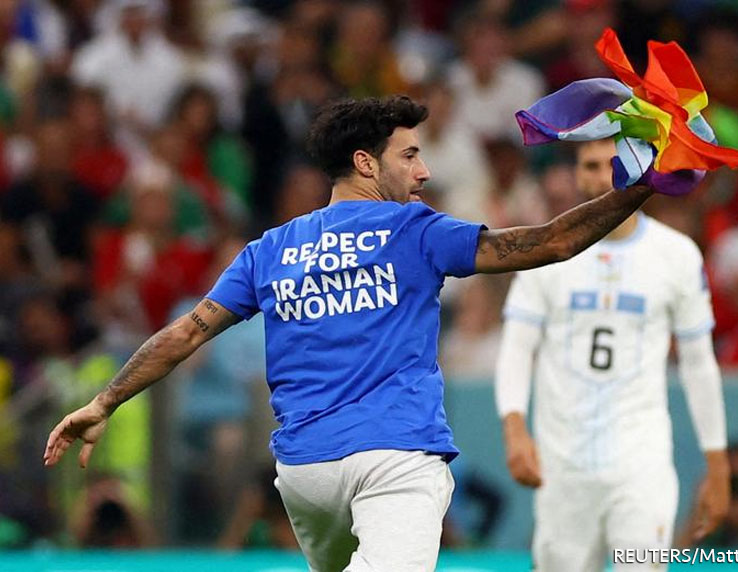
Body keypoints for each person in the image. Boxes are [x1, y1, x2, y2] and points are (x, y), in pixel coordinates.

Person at [44, 96, 660, 571]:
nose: (423, 170)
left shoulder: (271, 249)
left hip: (306, 478)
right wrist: (645, 184)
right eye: (410, 155)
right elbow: (549, 242)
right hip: (395, 457)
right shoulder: (414, 231)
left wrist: (106, 401)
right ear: (366, 162)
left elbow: (183, 334)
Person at [495, 138, 730, 572]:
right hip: (562, 464)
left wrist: (717, 464)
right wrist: (514, 428)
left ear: (640, 171)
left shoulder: (676, 256)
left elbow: (699, 364)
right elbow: (517, 345)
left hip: (641, 462)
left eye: (614, 164)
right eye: (590, 165)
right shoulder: (547, 252)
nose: (602, 175)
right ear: (576, 174)